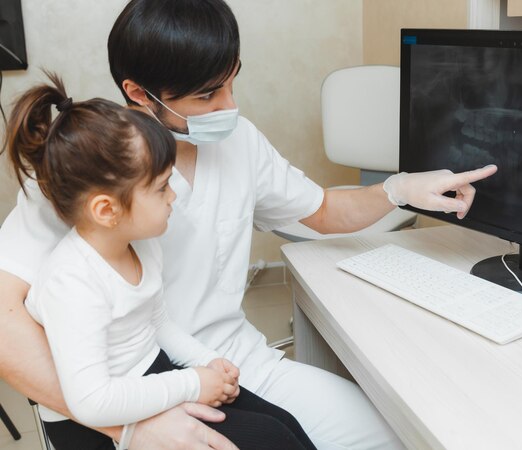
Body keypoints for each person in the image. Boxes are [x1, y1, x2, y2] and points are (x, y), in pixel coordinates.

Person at [0, 0, 497, 448]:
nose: (230, 107)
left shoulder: (240, 143)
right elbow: (5, 323)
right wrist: (129, 428)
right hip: (123, 385)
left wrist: (398, 191)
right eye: (208, 95)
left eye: (232, 81)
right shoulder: (86, 171)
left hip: (233, 363)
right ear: (140, 93)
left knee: (391, 436)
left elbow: (321, 210)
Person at [4, 74, 316, 450]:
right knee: (271, 440)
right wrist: (192, 383)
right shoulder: (72, 281)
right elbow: (92, 401)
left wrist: (208, 362)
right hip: (92, 419)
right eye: (161, 187)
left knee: (283, 424)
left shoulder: (141, 245)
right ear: (107, 210)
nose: (174, 197)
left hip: (146, 374)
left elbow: (157, 321)